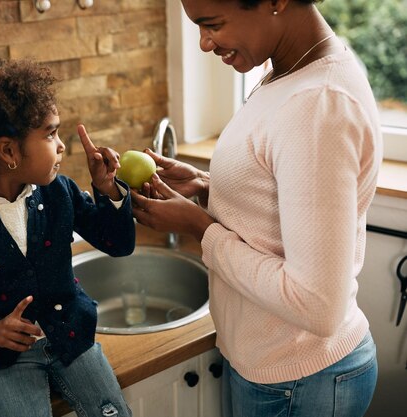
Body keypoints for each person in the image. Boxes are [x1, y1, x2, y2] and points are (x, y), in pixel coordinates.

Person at [131, 1, 381, 416]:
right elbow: (281, 201)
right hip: (278, 369)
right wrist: (207, 187)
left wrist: (201, 227)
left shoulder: (318, 103)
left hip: (299, 379)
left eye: (212, 24)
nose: (204, 43)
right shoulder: (287, 72)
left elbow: (318, 305)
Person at [0, 51, 134, 417]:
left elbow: (119, 244)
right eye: (50, 134)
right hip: (6, 359)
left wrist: (108, 190)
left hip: (72, 338)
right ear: (8, 151)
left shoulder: (60, 192)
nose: (62, 145)